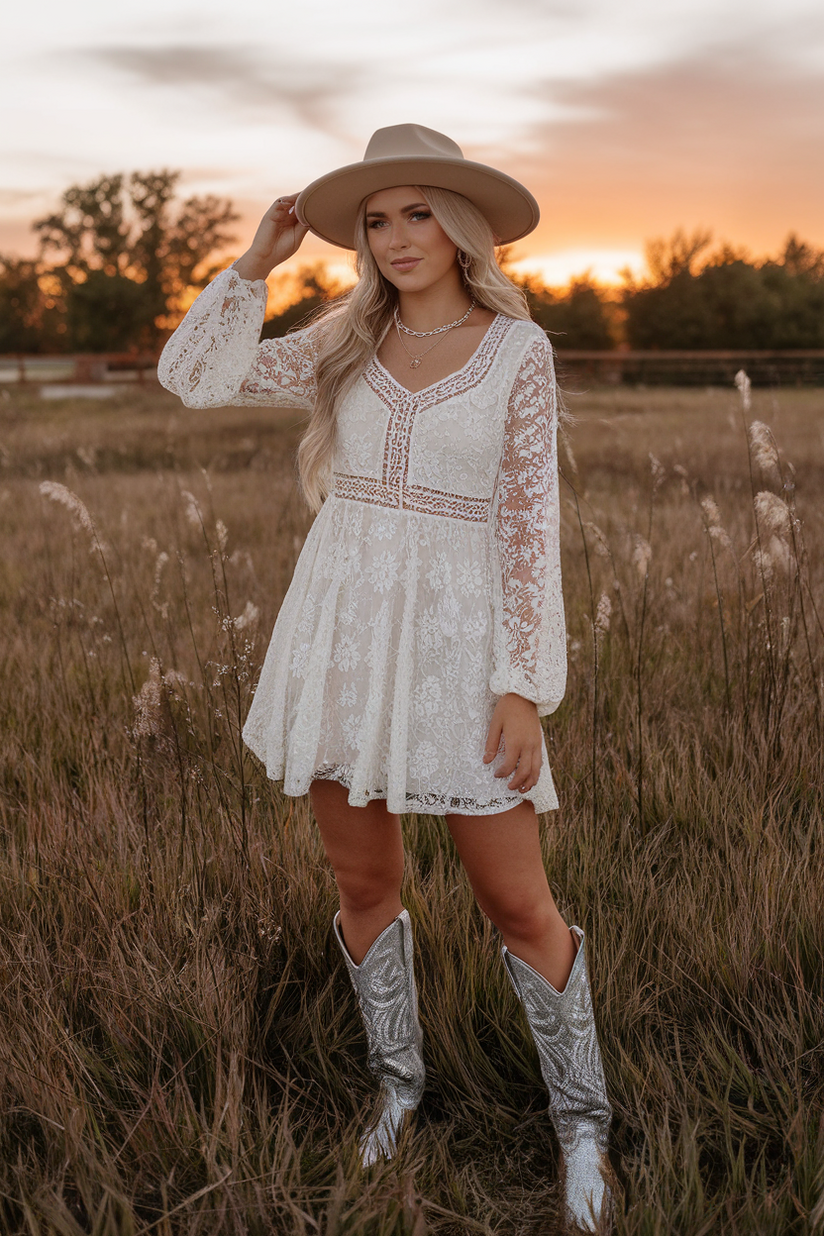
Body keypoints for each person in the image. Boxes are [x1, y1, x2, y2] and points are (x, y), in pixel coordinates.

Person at [158, 124, 613, 1233]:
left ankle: (581, 1122)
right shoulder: (340, 340)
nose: (395, 237)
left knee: (516, 899)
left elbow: (523, 524)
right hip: (343, 631)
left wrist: (520, 684)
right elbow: (192, 379)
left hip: (463, 643)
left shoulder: (517, 351)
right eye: (374, 219)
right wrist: (252, 264)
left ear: (461, 226)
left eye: (417, 212)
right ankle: (398, 1090)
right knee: (361, 885)